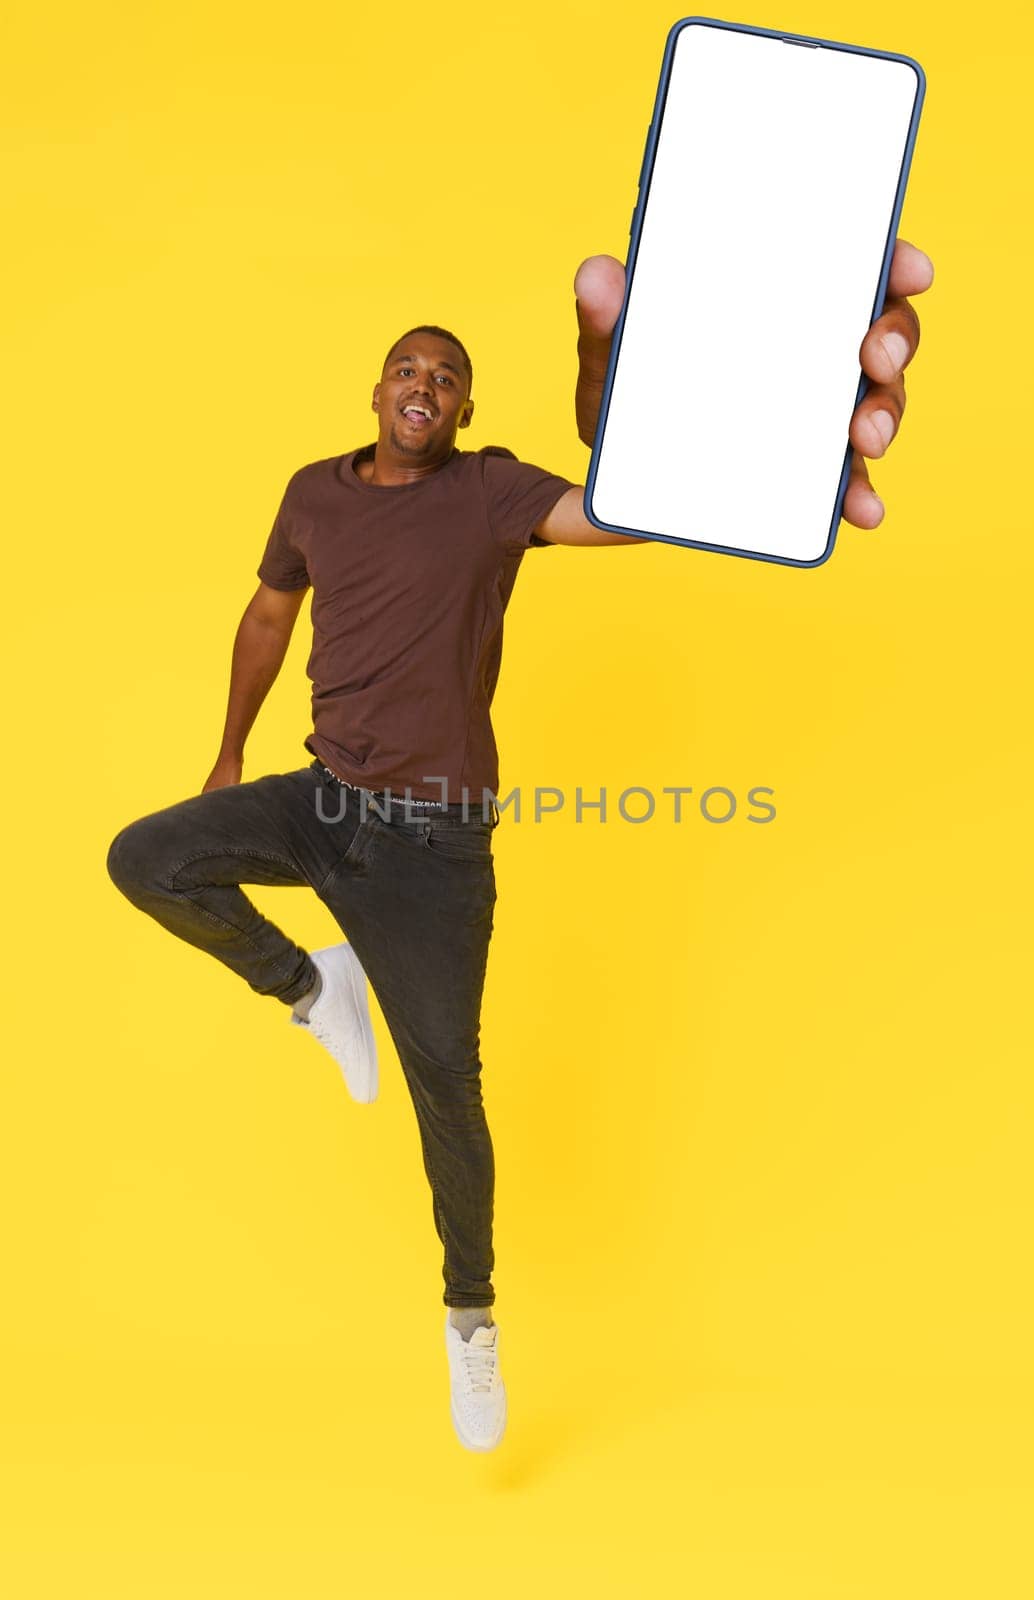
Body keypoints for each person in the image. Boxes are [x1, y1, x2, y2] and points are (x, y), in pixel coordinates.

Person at [105, 243, 935, 1453]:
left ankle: (470, 1318)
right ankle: (311, 982)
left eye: (447, 375)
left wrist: (727, 426)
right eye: (407, 367)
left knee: (449, 1094)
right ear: (377, 389)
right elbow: (268, 610)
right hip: (322, 800)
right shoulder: (311, 492)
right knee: (147, 858)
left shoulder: (489, 493)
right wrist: (230, 751)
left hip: (435, 850)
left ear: (467, 409)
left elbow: (617, 513)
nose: (424, 384)